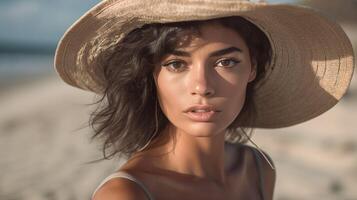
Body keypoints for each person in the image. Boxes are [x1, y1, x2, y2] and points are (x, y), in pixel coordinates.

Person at [54, 0, 355, 200]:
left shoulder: (259, 170)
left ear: (253, 68)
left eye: (226, 62)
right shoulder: (126, 195)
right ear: (151, 75)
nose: (202, 87)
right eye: (176, 64)